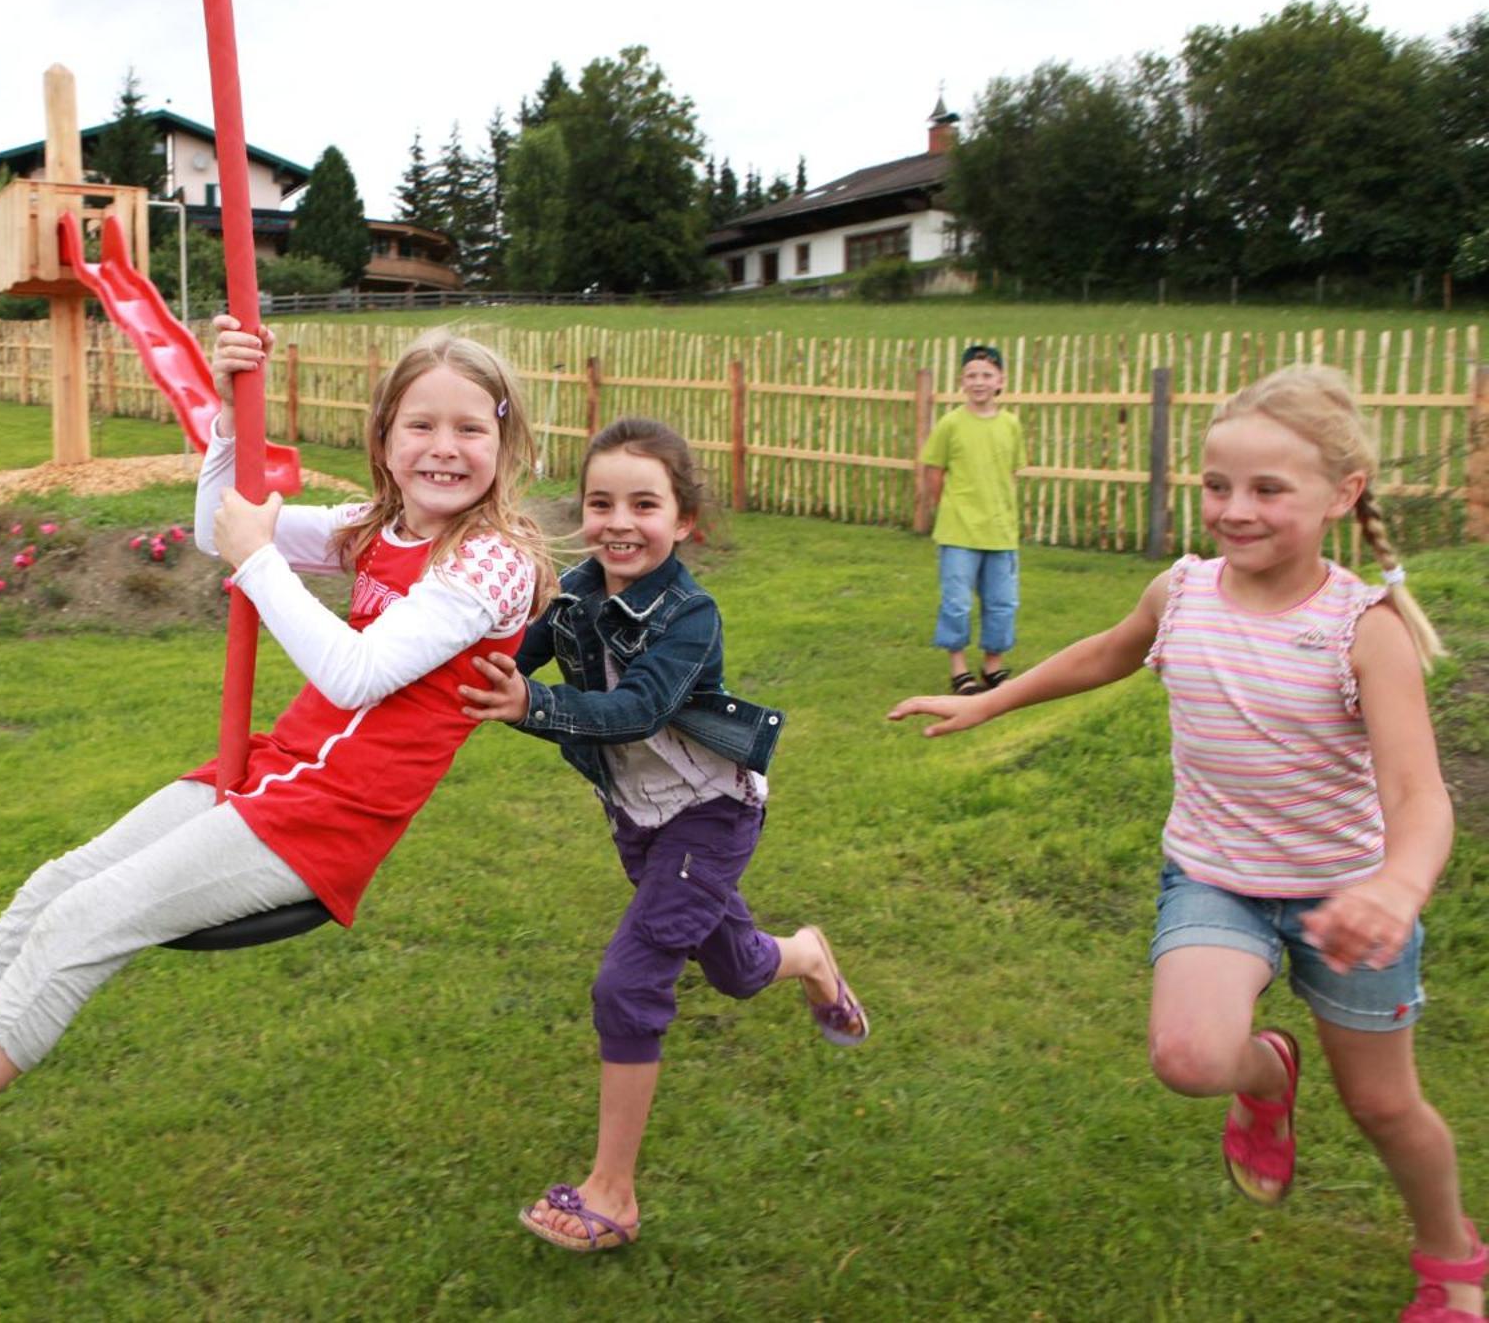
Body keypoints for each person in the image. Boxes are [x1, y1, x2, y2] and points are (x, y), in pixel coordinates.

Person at [0, 317, 557, 1256]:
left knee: (80, 924)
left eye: (471, 427)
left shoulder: (492, 558)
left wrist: (261, 560)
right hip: (267, 773)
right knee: (49, 889)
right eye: (419, 424)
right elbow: (212, 523)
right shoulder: (377, 530)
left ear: (505, 442)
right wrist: (231, 422)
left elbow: (351, 672)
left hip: (327, 818)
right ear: (384, 437)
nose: (444, 448)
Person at [890, 365, 1480, 1321]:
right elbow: (1109, 649)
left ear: (1344, 493)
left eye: (1267, 490)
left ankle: (1451, 1254)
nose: (1234, 511)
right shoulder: (1184, 590)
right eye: (1217, 486)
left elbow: (1420, 795)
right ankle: (1266, 1072)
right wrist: (989, 699)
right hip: (1216, 879)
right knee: (1189, 1056)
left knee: (1383, 1107)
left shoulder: (1362, 630)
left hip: (1351, 901)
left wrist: (1401, 887)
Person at [460, 417, 869, 1254]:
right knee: (735, 966)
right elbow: (506, 655)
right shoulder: (575, 593)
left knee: (629, 983)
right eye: (601, 501)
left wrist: (532, 704)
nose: (619, 521)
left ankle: (613, 1194)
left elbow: (636, 708)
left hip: (710, 816)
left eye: (644, 504)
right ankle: (808, 955)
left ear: (684, 520)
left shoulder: (691, 615)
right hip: (639, 819)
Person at [919, 343, 1025, 695]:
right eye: (972, 375)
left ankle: (993, 666)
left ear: (1000, 381)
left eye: (986, 375)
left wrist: (1004, 514)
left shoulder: (1011, 425)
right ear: (962, 382)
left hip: (1001, 532)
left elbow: (1011, 473)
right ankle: (959, 669)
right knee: (957, 601)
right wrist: (949, 509)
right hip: (959, 531)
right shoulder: (951, 424)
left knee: (1002, 601)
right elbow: (933, 472)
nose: (979, 382)